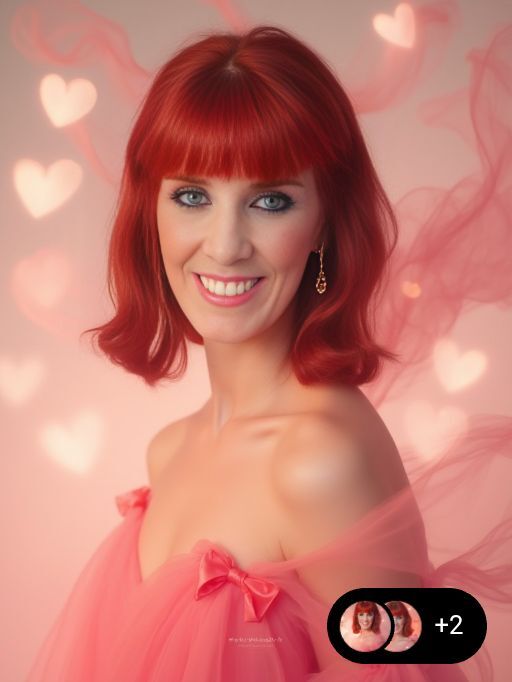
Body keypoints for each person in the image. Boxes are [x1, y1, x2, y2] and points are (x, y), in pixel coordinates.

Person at [26, 23, 511, 682]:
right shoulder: (170, 451)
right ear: (151, 210)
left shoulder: (321, 461)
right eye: (192, 196)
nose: (226, 245)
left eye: (271, 200)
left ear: (324, 225)